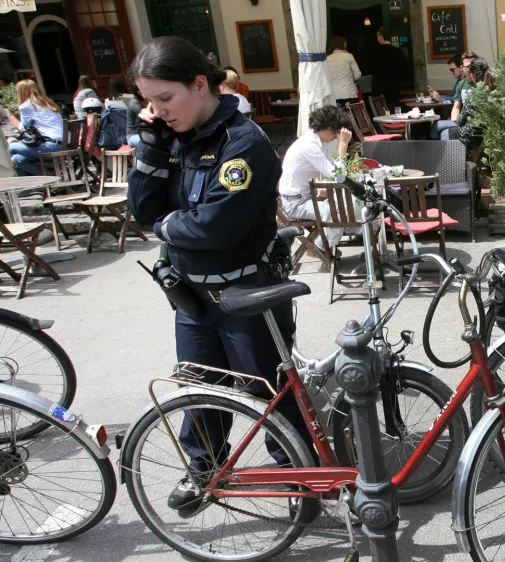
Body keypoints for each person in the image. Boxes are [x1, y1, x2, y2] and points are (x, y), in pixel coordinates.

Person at [125, 36, 312, 517]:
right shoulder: (174, 137)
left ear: (200, 83)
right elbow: (142, 207)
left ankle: (299, 481)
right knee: (199, 389)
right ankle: (205, 471)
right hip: (190, 296)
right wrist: (148, 148)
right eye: (149, 101)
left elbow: (216, 226)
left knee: (268, 394)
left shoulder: (243, 142)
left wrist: (165, 224)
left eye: (165, 98)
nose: (158, 110)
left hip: (247, 294)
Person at [278, 105, 370, 248]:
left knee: (345, 204)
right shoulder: (309, 146)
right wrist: (343, 144)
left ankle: (349, 232)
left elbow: (334, 169)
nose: (336, 136)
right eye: (336, 131)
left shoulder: (317, 142)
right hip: (295, 203)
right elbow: (337, 175)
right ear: (326, 127)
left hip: (306, 196)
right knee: (336, 210)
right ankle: (321, 246)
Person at [3, 80, 64, 176]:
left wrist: (8, 114)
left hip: (50, 146)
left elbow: (23, 129)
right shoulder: (48, 103)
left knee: (10, 148)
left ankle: (51, 178)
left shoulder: (27, 106)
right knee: (17, 158)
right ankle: (26, 188)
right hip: (62, 145)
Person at [441, 59, 492, 147]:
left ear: (471, 74)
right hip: (487, 133)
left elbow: (460, 121)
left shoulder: (474, 94)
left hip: (471, 135)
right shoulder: (491, 90)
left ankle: (453, 159)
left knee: (444, 134)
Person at [372, 26, 406, 108]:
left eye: (377, 36)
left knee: (381, 111)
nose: (377, 39)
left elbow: (370, 68)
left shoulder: (374, 52)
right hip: (394, 86)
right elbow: (404, 68)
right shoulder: (398, 52)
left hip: (379, 87)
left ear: (381, 36)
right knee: (394, 111)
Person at [326, 36, 361, 107]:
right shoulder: (349, 56)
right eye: (345, 43)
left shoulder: (327, 59)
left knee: (339, 116)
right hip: (349, 92)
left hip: (335, 94)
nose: (346, 44)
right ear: (342, 44)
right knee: (351, 115)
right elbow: (358, 75)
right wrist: (350, 79)